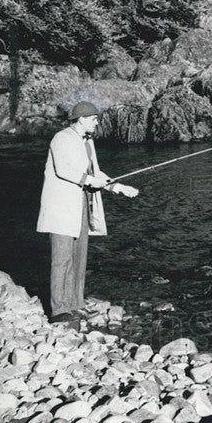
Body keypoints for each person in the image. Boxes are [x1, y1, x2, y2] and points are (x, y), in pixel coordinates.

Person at [37, 100, 138, 328]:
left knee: (79, 256)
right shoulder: (60, 138)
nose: (97, 122)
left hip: (81, 205)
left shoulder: (88, 142)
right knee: (62, 259)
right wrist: (93, 181)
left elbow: (95, 172)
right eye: (94, 118)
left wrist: (118, 187)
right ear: (81, 119)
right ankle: (59, 310)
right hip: (61, 207)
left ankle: (75, 303)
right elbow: (65, 170)